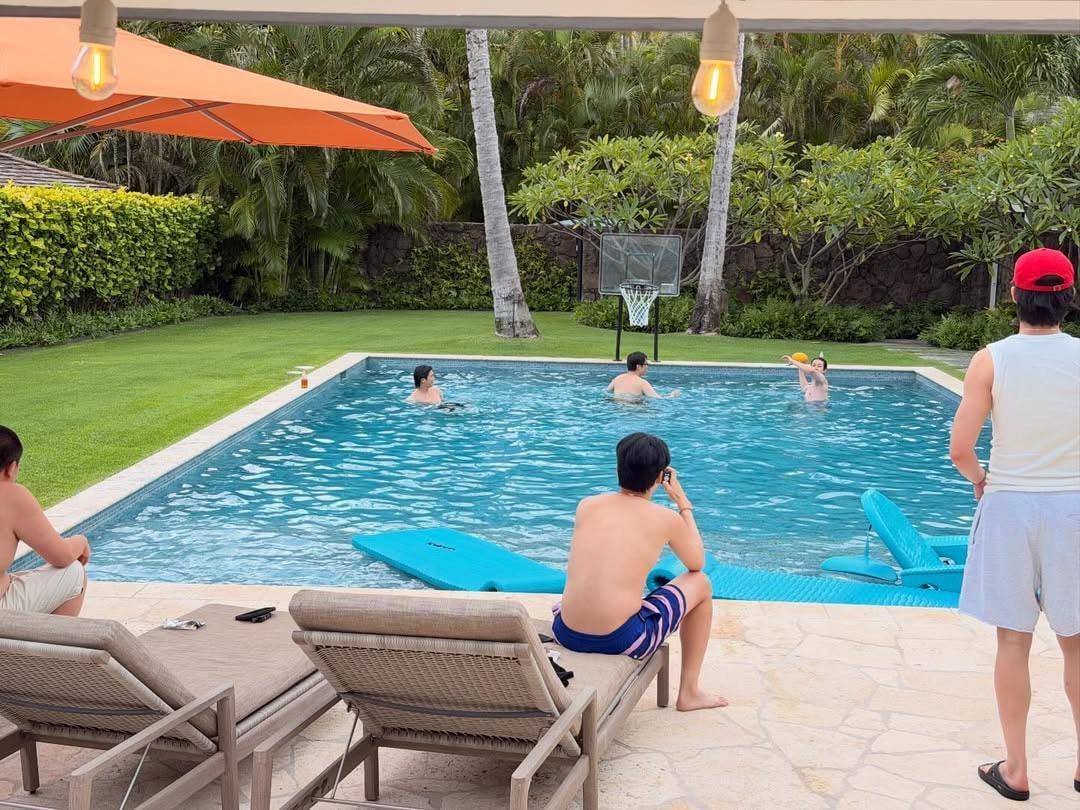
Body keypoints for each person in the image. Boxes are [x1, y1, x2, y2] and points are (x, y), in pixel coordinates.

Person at [948, 247, 1080, 803]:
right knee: (1077, 643)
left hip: (1009, 507)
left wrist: (982, 480)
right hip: (1075, 507)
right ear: (1068, 298)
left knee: (1012, 639)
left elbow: (960, 449)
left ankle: (1017, 769)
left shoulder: (991, 360)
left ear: (1014, 296)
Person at [554, 432, 726, 712]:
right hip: (620, 639)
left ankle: (690, 691)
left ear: (618, 468)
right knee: (701, 583)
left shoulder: (587, 505)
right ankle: (689, 692)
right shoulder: (666, 518)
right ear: (660, 477)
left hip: (566, 632)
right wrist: (683, 503)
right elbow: (696, 562)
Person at [0, 426, 89, 616]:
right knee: (74, 573)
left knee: (18, 579)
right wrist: (81, 542)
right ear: (10, 468)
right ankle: (54, 636)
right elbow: (62, 556)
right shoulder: (11, 495)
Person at [607, 352, 680, 399]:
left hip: (618, 406)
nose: (647, 366)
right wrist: (672, 396)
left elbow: (607, 391)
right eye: (646, 364)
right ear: (638, 366)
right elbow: (658, 399)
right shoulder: (642, 383)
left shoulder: (617, 378)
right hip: (635, 409)